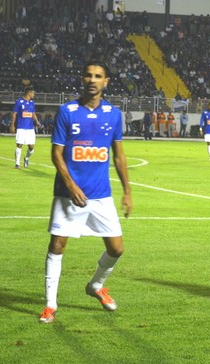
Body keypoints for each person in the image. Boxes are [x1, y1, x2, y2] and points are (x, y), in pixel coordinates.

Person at [39, 60, 132, 324]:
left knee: (116, 249)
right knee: (57, 245)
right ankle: (50, 305)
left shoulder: (114, 114)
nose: (92, 80)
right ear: (82, 79)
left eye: (98, 76)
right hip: (68, 194)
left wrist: (127, 191)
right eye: (88, 75)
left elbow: (119, 156)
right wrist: (71, 186)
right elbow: (57, 155)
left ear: (106, 82)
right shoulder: (67, 112)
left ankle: (95, 285)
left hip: (101, 194)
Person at [10, 86, 41, 169]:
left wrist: (37, 121)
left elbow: (33, 113)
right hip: (21, 127)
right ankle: (17, 164)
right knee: (19, 145)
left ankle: (26, 158)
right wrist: (12, 125)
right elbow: (14, 114)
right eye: (33, 93)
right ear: (29, 93)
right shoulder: (19, 102)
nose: (34, 94)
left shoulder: (32, 103)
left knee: (31, 147)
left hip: (30, 128)